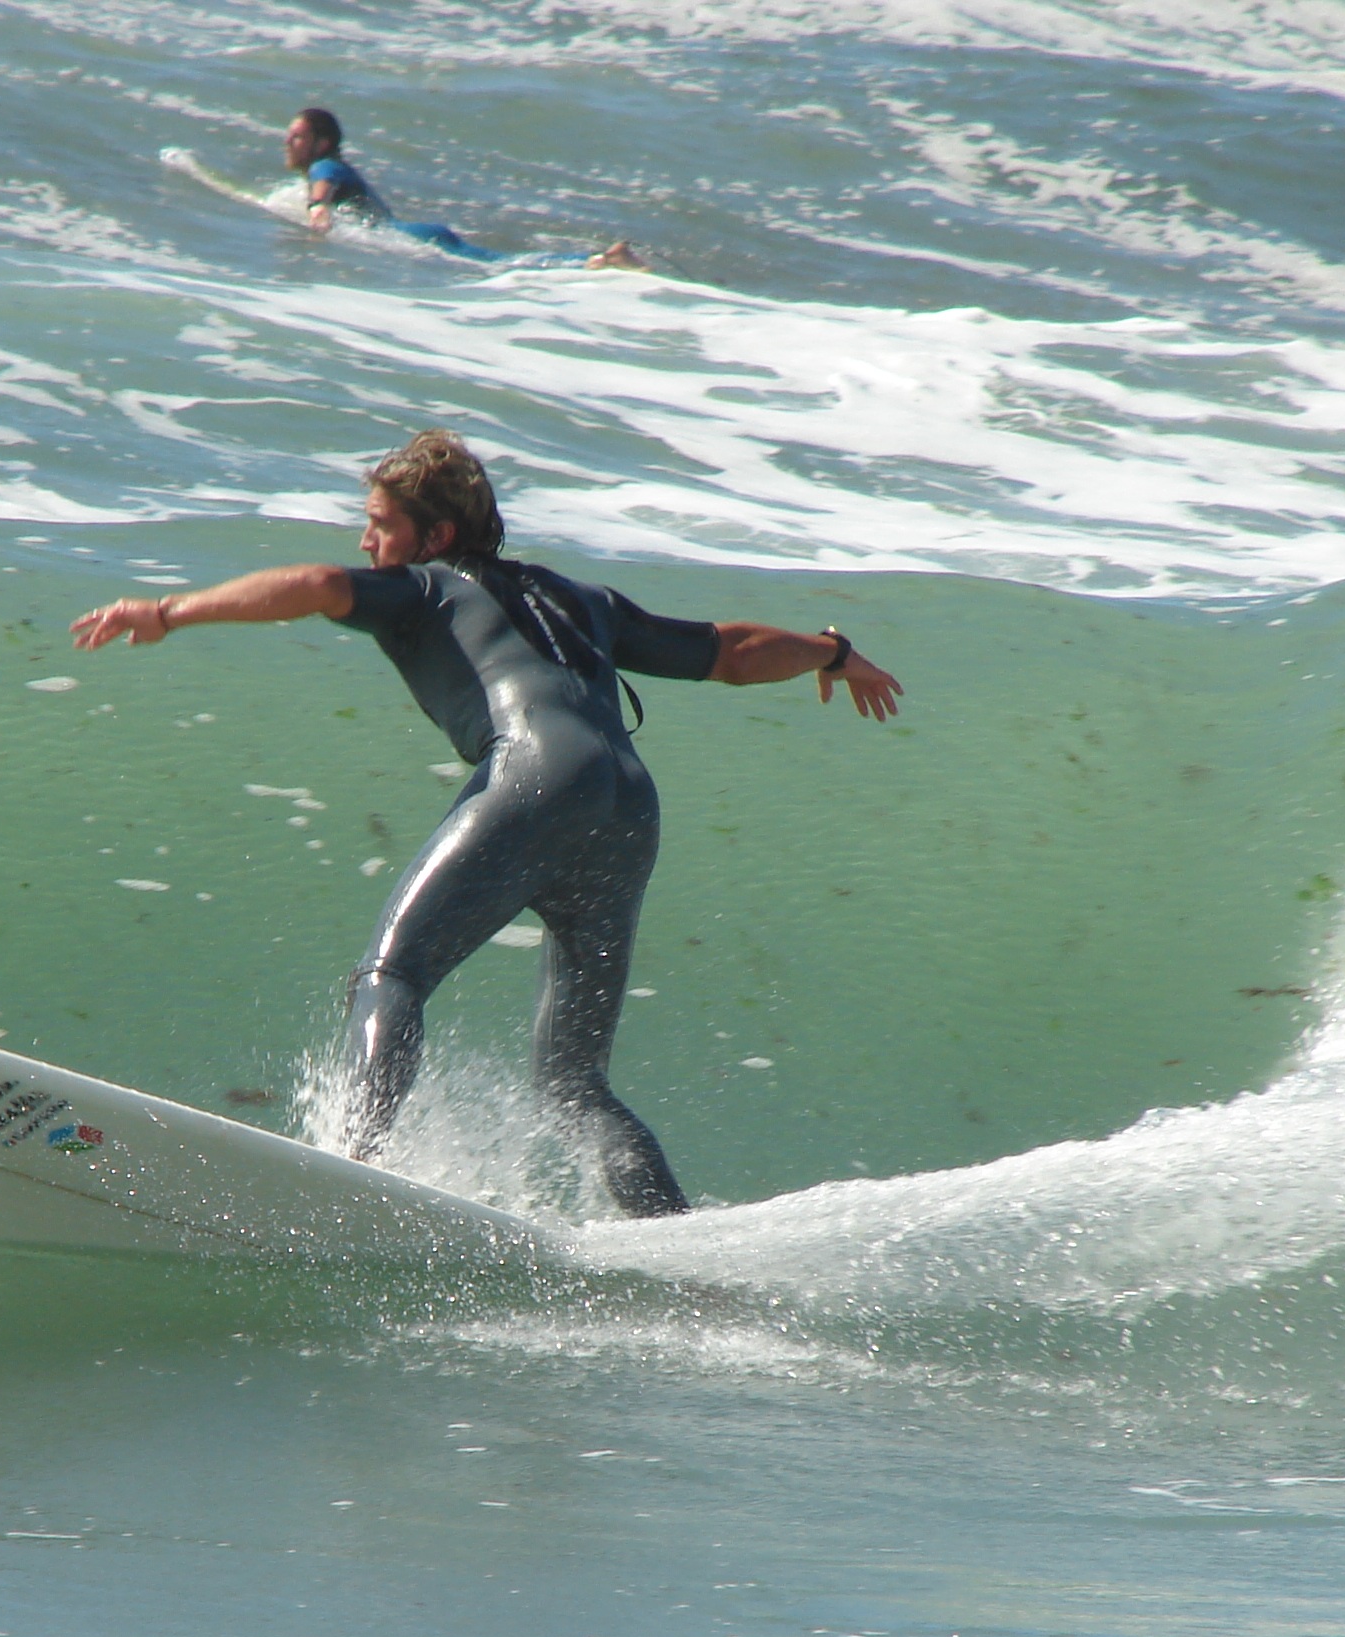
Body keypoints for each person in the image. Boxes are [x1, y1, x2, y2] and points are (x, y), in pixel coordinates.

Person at [70, 429, 903, 1218]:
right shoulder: (581, 599)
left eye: (380, 527)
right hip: (627, 803)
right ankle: (672, 1244)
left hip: (537, 775)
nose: (368, 545)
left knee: (389, 980)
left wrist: (169, 612)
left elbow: (321, 588)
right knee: (574, 1082)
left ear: (433, 536)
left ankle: (344, 1169)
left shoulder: (423, 588)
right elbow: (730, 651)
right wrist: (831, 649)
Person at [282, 107, 641, 271]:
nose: (289, 141)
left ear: (322, 143)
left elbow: (322, 190)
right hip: (415, 232)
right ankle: (600, 259)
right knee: (504, 263)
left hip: (416, 237)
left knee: (506, 265)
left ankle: (603, 260)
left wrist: (317, 210)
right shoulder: (331, 165)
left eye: (298, 136)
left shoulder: (324, 166)